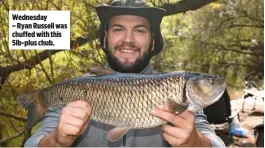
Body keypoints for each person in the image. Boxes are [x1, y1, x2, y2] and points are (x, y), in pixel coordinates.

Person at [24, 0, 225, 147]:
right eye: (118, 29)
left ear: (153, 42)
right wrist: (57, 141)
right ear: (104, 39)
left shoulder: (176, 90)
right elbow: (32, 144)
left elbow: (215, 142)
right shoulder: (73, 90)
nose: (128, 39)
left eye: (139, 31)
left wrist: (195, 143)